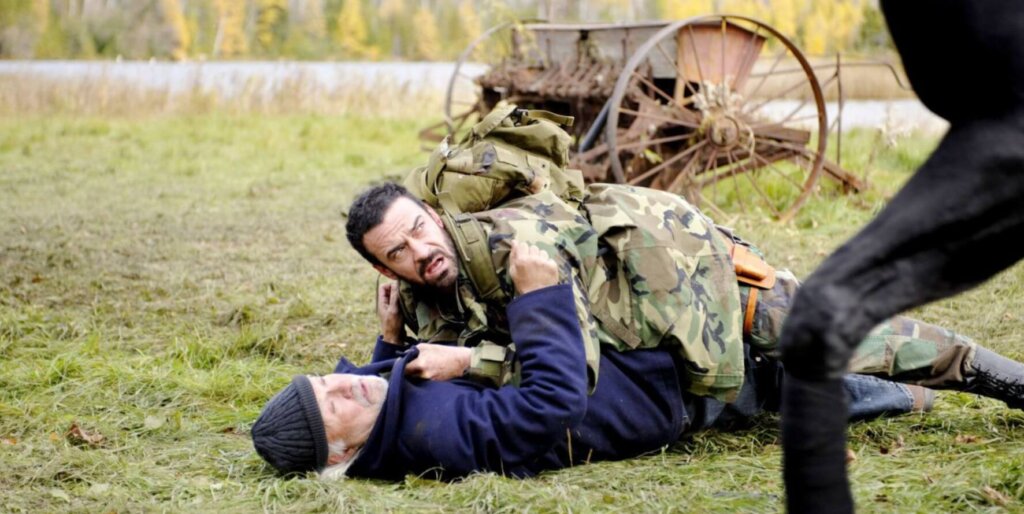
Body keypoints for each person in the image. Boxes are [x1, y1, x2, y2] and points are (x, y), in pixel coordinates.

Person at [252, 241, 927, 479]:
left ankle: (891, 364)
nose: (347, 385)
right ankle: (911, 391)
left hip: (630, 370)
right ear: (340, 457)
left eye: (328, 379)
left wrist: (390, 336)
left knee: (771, 362)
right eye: (334, 403)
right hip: (643, 400)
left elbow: (380, 384)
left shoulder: (383, 420)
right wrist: (537, 299)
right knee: (768, 383)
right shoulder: (437, 438)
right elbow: (549, 404)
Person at [342, 181, 1024, 408]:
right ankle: (905, 401)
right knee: (780, 394)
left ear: (434, 214)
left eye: (417, 232)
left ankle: (997, 377)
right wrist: (393, 342)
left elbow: (566, 374)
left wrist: (474, 364)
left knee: (852, 338)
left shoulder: (516, 246)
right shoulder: (424, 297)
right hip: (657, 352)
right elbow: (409, 384)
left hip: (702, 291)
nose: (418, 254)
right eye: (395, 253)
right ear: (385, 268)